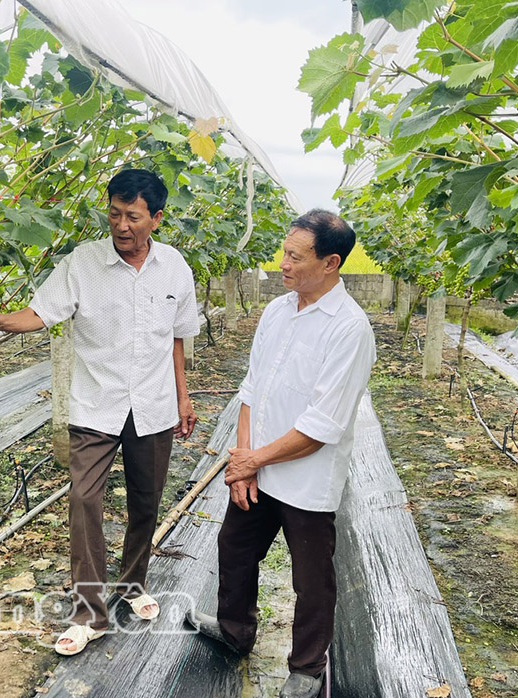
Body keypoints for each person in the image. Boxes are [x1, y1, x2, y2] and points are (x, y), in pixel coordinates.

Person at [0, 168, 199, 656]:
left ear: (157, 218)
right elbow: (40, 313)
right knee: (84, 501)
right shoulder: (82, 264)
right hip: (97, 404)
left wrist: (183, 396)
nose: (121, 225)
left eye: (132, 216)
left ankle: (132, 584)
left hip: (153, 405)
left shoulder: (176, 268)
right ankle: (90, 613)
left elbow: (176, 337)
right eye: (114, 214)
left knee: (146, 503)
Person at [185, 210, 376, 698]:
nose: (283, 263)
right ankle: (234, 631)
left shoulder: (349, 329)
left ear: (330, 263)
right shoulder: (276, 311)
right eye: (284, 252)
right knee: (236, 548)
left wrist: (254, 460)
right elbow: (253, 391)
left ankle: (307, 668)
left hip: (306, 478)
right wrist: (244, 459)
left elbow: (320, 427)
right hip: (258, 468)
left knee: (311, 578)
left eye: (295, 256)